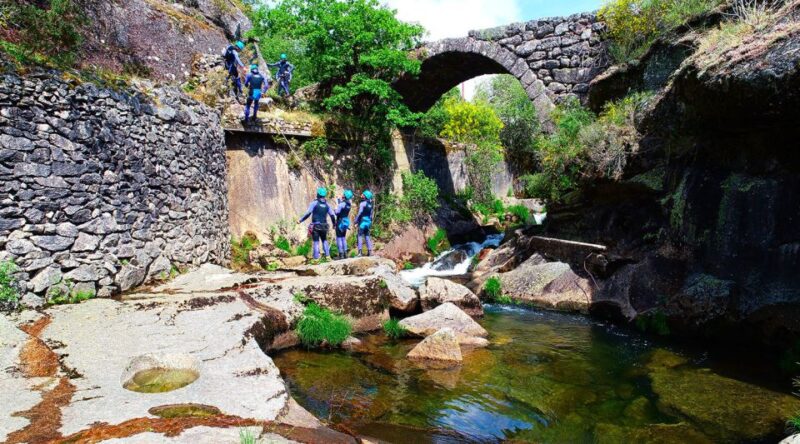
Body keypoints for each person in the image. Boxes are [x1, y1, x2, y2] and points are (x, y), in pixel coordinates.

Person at [298, 187, 337, 260]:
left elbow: (308, 213)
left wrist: (300, 220)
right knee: (324, 240)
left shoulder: (314, 203)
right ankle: (328, 257)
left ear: (318, 194)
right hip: (324, 226)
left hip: (316, 226)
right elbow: (332, 215)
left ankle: (316, 258)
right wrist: (334, 224)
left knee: (316, 242)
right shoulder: (327, 205)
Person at [334, 190, 354, 260]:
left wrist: (336, 207)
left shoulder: (342, 204)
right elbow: (343, 208)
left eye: (344, 194)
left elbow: (337, 212)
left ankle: (341, 254)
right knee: (343, 237)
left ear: (345, 196)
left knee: (339, 238)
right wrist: (339, 201)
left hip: (340, 221)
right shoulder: (349, 204)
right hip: (345, 221)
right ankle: (345, 254)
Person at [355, 190, 374, 257]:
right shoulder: (370, 204)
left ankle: (360, 252)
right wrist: (370, 222)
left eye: (363, 194)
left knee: (359, 236)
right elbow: (371, 215)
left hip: (362, 222)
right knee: (367, 236)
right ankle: (370, 252)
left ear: (365, 196)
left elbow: (360, 213)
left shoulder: (362, 203)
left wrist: (356, 221)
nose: (362, 194)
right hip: (368, 222)